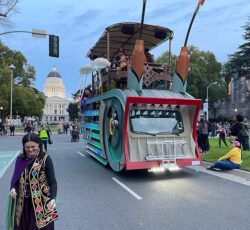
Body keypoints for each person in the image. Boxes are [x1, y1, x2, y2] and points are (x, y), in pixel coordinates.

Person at [9, 133, 58, 229]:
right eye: (27, 147)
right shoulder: (20, 159)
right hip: (23, 205)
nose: (30, 149)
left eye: (33, 146)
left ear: (39, 145)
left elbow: (53, 182)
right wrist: (13, 189)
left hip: (41, 203)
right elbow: (15, 179)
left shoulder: (45, 159)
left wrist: (53, 198)